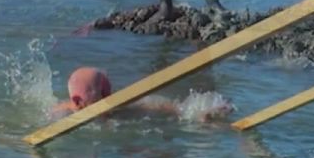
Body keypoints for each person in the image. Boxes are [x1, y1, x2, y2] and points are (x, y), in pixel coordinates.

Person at [48, 67, 233, 123]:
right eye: (103, 93)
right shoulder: (62, 115)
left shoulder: (120, 108)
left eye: (109, 90)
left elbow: (167, 107)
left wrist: (203, 112)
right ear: (78, 101)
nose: (110, 96)